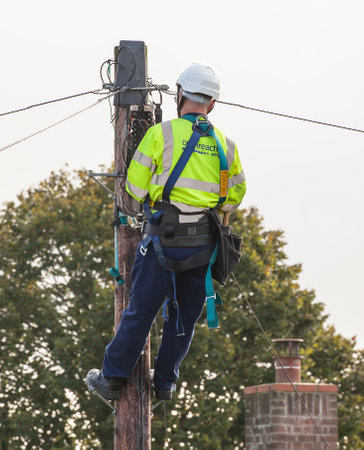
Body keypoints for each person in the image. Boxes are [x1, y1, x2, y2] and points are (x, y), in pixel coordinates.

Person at [86, 62, 246, 401]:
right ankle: (165, 382)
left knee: (141, 311)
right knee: (183, 318)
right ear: (212, 104)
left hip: (162, 240)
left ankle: (111, 378)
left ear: (179, 94)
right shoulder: (227, 146)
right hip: (203, 246)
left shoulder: (160, 134)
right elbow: (234, 197)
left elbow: (136, 187)